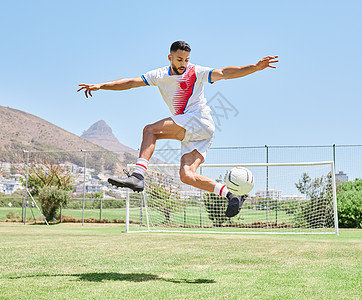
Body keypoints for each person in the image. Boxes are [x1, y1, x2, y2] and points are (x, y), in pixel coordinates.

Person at [78, 41, 278, 217]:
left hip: (198, 120)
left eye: (186, 59)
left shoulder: (196, 71)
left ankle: (138, 176)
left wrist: (255, 67)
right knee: (186, 176)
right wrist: (101, 85)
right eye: (179, 59)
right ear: (170, 57)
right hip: (196, 131)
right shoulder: (158, 75)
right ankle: (231, 195)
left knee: (150, 130)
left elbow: (225, 73)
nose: (184, 64)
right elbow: (130, 82)